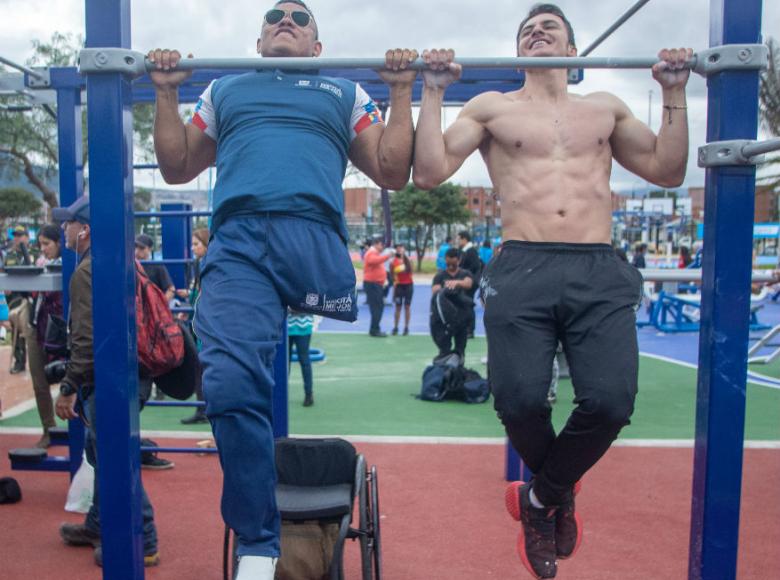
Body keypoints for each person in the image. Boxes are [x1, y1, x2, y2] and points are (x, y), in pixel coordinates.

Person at [412, 4, 691, 577]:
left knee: (611, 402)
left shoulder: (605, 109)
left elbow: (668, 170)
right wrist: (434, 91)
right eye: (527, 30)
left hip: (596, 265)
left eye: (550, 29)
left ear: (572, 49)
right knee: (515, 400)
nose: (537, 34)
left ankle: (540, 498)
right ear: (517, 50)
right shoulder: (492, 108)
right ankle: (555, 495)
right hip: (523, 262)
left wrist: (674, 91)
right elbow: (429, 172)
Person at [148, 1, 418, 575]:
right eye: (275, 16)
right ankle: (257, 544)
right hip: (240, 244)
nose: (286, 20)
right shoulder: (224, 89)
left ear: (318, 49)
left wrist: (401, 89)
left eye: (300, 18)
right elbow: (176, 168)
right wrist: (167, 91)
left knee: (262, 367)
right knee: (226, 383)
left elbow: (393, 171)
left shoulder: (344, 93)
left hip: (313, 242)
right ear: (259, 39)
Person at [51, 196, 160, 568]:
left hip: (108, 380)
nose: (63, 229)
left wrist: (68, 386)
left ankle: (146, 539)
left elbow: (85, 338)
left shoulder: (86, 271)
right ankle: (98, 522)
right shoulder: (117, 262)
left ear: (85, 230)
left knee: (115, 458)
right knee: (102, 454)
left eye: (68, 223)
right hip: (133, 374)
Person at [23, 224, 64, 448]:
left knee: (70, 380)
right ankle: (48, 428)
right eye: (40, 245)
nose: (43, 249)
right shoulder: (40, 264)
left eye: (47, 244)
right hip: (37, 327)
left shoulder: (71, 264)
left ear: (59, 243)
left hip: (60, 331)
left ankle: (81, 431)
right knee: (40, 383)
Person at [178, 227, 210, 425]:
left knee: (202, 366)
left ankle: (204, 408)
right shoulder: (197, 264)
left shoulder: (206, 265)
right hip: (197, 319)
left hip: (204, 324)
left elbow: (202, 294)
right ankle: (203, 407)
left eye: (197, 244)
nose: (193, 248)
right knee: (200, 367)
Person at [430, 248, 474, 360]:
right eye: (448, 263)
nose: (450, 267)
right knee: (444, 350)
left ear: (459, 261)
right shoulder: (440, 275)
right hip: (445, 320)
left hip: (461, 318)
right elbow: (435, 290)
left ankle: (459, 370)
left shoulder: (465, 273)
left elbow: (468, 283)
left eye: (453, 264)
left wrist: (457, 283)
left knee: (460, 349)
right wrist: (445, 289)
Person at [4, 225, 34, 374]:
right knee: (16, 327)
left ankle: (39, 360)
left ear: (27, 237)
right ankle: (19, 361)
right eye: (15, 235)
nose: (17, 238)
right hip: (15, 297)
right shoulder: (9, 255)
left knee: (34, 328)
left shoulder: (35, 252)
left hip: (33, 295)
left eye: (20, 235)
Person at [363, 238, 394, 337]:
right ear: (376, 244)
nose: (382, 247)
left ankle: (375, 328)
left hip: (375, 284)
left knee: (378, 307)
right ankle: (374, 329)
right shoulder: (371, 253)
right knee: (377, 307)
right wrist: (388, 256)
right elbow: (373, 261)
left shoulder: (374, 253)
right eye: (381, 244)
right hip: (373, 284)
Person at [134, 233, 175, 302]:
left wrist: (159, 307)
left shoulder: (157, 266)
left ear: (150, 249)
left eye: (141, 248)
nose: (137, 250)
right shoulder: (129, 266)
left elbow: (171, 290)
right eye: (135, 246)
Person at [287, 310, 315, 406]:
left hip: (304, 325)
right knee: (284, 364)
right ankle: (282, 393)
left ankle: (309, 394)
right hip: (285, 327)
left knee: (304, 360)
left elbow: (311, 302)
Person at [391, 242, 414, 335]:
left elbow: (411, 270)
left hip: (408, 286)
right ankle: (396, 327)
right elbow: (393, 277)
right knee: (398, 307)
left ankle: (406, 327)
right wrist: (393, 291)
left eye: (401, 247)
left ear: (404, 249)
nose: (399, 249)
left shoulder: (409, 260)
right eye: (398, 248)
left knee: (407, 307)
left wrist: (405, 260)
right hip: (399, 286)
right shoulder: (393, 262)